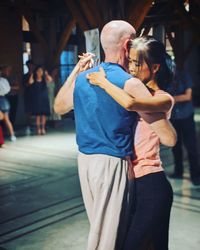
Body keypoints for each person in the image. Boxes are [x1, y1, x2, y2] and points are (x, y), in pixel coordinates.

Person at [54, 21, 175, 250]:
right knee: (108, 239)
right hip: (112, 163)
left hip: (85, 164)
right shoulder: (129, 82)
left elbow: (59, 107)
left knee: (102, 231)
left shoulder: (85, 77)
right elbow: (168, 137)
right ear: (128, 44)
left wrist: (78, 71)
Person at [87, 36, 176, 250]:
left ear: (155, 67)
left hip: (152, 184)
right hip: (131, 183)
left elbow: (131, 103)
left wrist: (103, 81)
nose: (132, 68)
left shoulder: (163, 99)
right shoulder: (131, 87)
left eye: (137, 63)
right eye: (130, 62)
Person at [167, 65, 200, 186]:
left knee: (191, 146)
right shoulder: (165, 78)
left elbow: (188, 96)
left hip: (186, 115)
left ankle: (196, 175)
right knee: (175, 146)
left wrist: (170, 98)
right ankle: (178, 171)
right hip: (174, 116)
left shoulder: (184, 74)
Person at [28, 65, 52, 135]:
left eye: (41, 71)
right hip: (36, 98)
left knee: (43, 115)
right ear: (36, 72)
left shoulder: (44, 79)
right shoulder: (34, 79)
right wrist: (32, 74)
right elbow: (30, 82)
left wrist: (46, 74)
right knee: (38, 115)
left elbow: (50, 80)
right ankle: (38, 129)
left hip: (44, 98)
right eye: (38, 71)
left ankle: (43, 129)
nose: (40, 72)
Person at [0, 74, 16, 141]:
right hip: (3, 99)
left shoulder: (3, 80)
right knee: (7, 119)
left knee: (6, 119)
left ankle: (12, 135)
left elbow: (7, 89)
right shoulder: (3, 80)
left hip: (2, 99)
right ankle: (12, 135)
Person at [23, 59, 35, 135]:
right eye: (29, 65)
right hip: (28, 95)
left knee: (37, 110)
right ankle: (29, 125)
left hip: (36, 95)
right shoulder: (25, 76)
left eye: (31, 65)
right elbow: (25, 85)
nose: (30, 67)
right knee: (28, 111)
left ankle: (37, 125)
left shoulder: (37, 74)